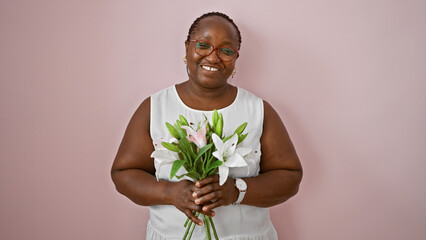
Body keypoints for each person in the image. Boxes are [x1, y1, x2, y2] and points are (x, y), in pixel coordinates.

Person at [111, 12, 303, 239]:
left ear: (236, 58)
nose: (213, 58)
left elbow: (290, 176)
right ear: (187, 48)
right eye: (203, 45)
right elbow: (123, 173)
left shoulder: (259, 110)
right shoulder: (154, 107)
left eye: (226, 50)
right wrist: (170, 192)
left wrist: (237, 191)